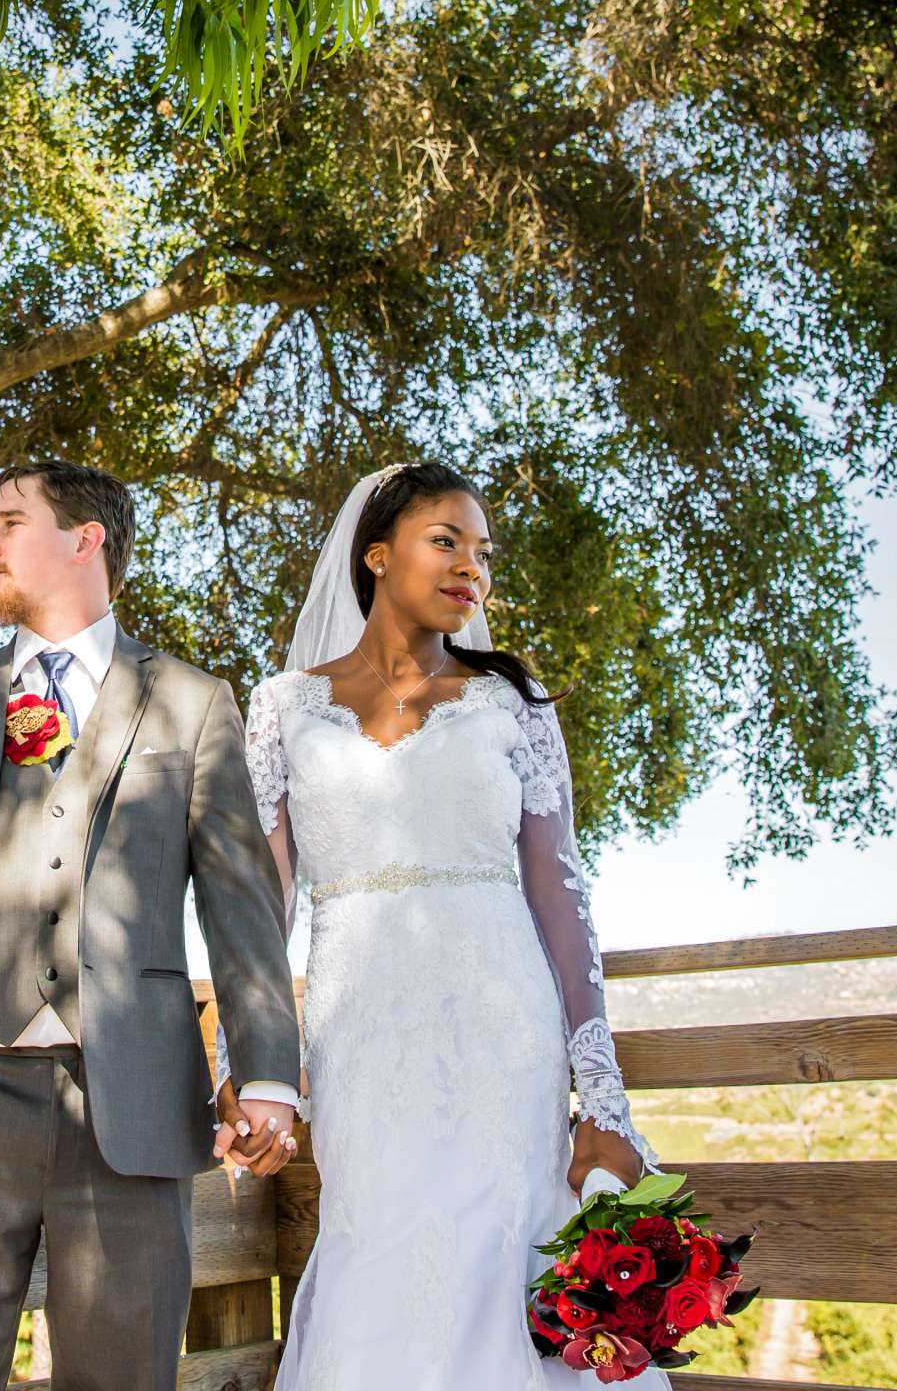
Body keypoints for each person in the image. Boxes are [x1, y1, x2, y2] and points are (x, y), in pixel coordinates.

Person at [0, 459, 303, 1391]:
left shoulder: (194, 702)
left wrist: (266, 1076)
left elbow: (241, 904)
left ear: (85, 540)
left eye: (9, 520)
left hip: (127, 1102)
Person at [230, 460, 664, 1388]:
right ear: (377, 555)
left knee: (508, 1247)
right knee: (379, 1247)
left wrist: (603, 1091)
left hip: (507, 1036)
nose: (473, 567)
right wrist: (251, 1064)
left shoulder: (514, 702)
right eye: (446, 542)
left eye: (483, 552)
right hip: (361, 1040)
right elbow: (258, 910)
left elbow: (561, 896)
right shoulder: (280, 710)